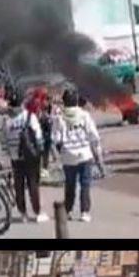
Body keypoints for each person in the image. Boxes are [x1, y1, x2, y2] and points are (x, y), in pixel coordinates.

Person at [52, 89, 102, 223]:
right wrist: (98, 157)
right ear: (77, 101)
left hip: (68, 157)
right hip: (85, 155)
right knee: (85, 184)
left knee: (70, 184)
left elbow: (56, 139)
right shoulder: (84, 115)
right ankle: (84, 212)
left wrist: (61, 151)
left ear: (64, 102)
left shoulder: (59, 117)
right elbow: (94, 136)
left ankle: (67, 210)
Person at [3, 92, 47, 223]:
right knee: (33, 184)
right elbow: (38, 136)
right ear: (22, 103)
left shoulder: (7, 121)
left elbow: (4, 140)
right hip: (30, 157)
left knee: (19, 186)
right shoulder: (29, 116)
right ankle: (38, 212)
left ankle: (23, 214)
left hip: (15, 157)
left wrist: (11, 153)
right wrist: (41, 152)